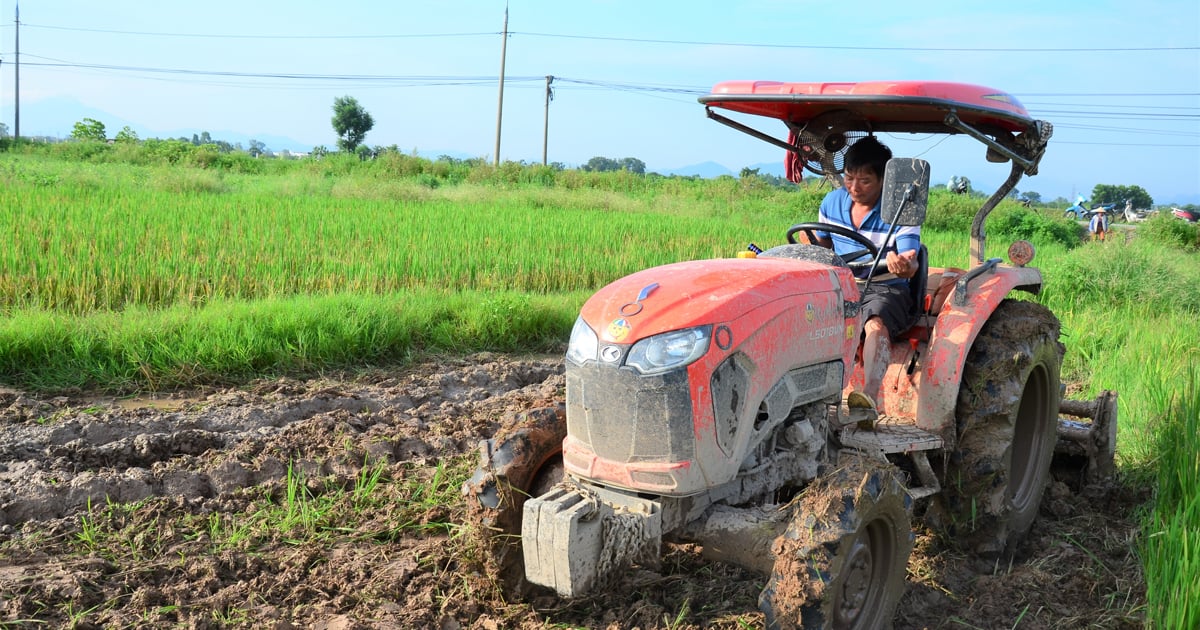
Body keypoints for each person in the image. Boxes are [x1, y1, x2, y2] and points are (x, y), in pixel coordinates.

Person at [796, 136, 921, 415]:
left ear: (884, 180)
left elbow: (911, 261)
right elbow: (823, 245)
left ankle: (869, 399)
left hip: (885, 286)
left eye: (865, 181)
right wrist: (809, 242)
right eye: (849, 178)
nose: (854, 187)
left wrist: (901, 263)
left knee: (874, 321)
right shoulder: (833, 202)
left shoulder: (901, 210)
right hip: (842, 284)